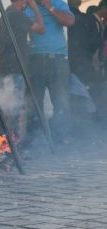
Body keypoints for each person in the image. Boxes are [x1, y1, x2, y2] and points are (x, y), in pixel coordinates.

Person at [25, 0, 75, 144]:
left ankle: (61, 137)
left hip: (57, 59)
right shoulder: (26, 6)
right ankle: (35, 140)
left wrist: (49, 6)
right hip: (33, 59)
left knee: (62, 101)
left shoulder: (57, 3)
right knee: (34, 102)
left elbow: (70, 21)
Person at [0, 0, 45, 140]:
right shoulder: (17, 15)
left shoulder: (4, 15)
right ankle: (12, 144)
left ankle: (5, 142)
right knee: (14, 107)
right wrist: (36, 8)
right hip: (15, 67)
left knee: (6, 106)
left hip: (3, 66)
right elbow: (41, 28)